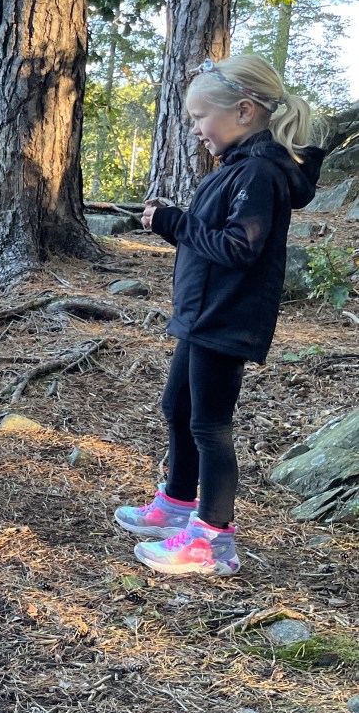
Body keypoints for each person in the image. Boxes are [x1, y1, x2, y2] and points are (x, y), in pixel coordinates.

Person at [117, 54, 326, 577]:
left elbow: (240, 248)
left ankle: (213, 540)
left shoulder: (259, 172)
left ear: (244, 111)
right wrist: (177, 223)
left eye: (199, 117)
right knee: (178, 406)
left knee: (210, 425)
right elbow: (217, 240)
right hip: (202, 314)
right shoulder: (238, 167)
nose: (195, 129)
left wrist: (175, 223)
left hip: (228, 317)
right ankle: (177, 502)